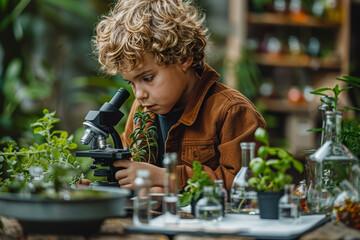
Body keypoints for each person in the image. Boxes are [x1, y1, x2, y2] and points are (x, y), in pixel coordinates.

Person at [93, 0, 266, 194]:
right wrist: (105, 189)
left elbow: (244, 187)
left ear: (184, 58)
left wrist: (165, 178)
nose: (139, 94)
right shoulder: (140, 110)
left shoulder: (232, 112)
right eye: (131, 83)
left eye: (148, 78)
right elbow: (131, 174)